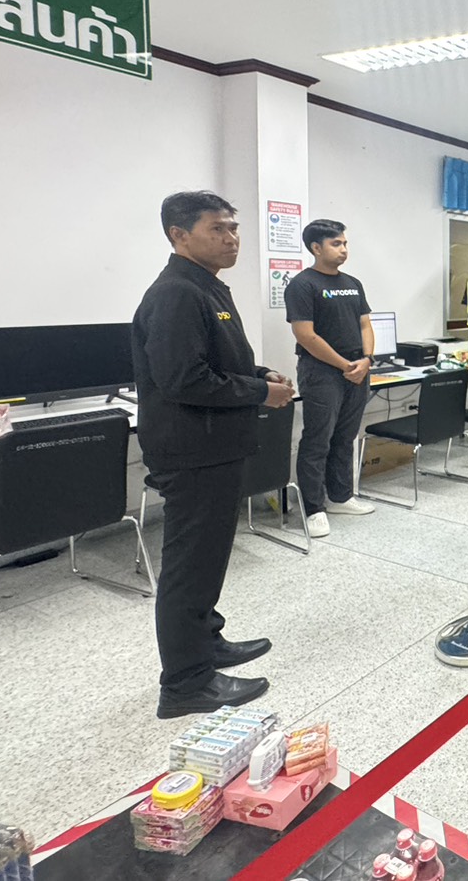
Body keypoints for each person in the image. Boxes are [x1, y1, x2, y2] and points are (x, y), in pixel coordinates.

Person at [132, 191, 293, 718]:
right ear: (179, 235)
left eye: (233, 228)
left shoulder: (206, 286)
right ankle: (185, 683)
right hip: (191, 450)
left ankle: (207, 642)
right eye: (217, 229)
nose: (231, 239)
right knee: (190, 566)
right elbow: (184, 379)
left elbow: (215, 363)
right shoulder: (177, 293)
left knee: (208, 560)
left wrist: (259, 375)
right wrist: (259, 393)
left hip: (214, 446)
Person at [284, 219, 377, 540]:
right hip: (321, 371)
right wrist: (345, 365)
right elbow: (305, 335)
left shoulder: (353, 283)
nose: (343, 249)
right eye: (336, 244)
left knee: (345, 436)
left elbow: (365, 324)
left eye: (345, 243)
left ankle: (340, 497)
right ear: (316, 248)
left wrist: (366, 360)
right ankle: (313, 508)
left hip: (357, 368)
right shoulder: (302, 285)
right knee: (317, 439)